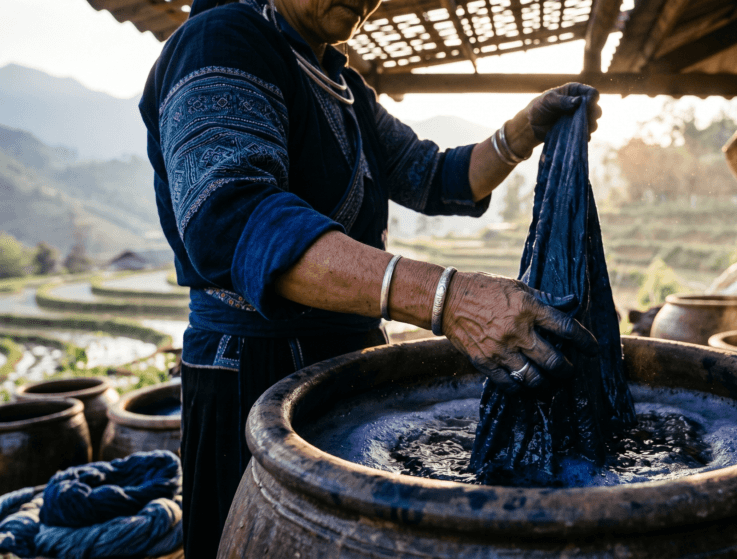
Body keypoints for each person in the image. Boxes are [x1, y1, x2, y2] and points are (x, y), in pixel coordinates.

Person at [138, 0, 603, 555]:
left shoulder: (345, 85)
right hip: (251, 369)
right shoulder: (220, 41)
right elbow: (231, 217)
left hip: (343, 362)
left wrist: (525, 130)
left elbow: (436, 176)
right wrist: (447, 298)